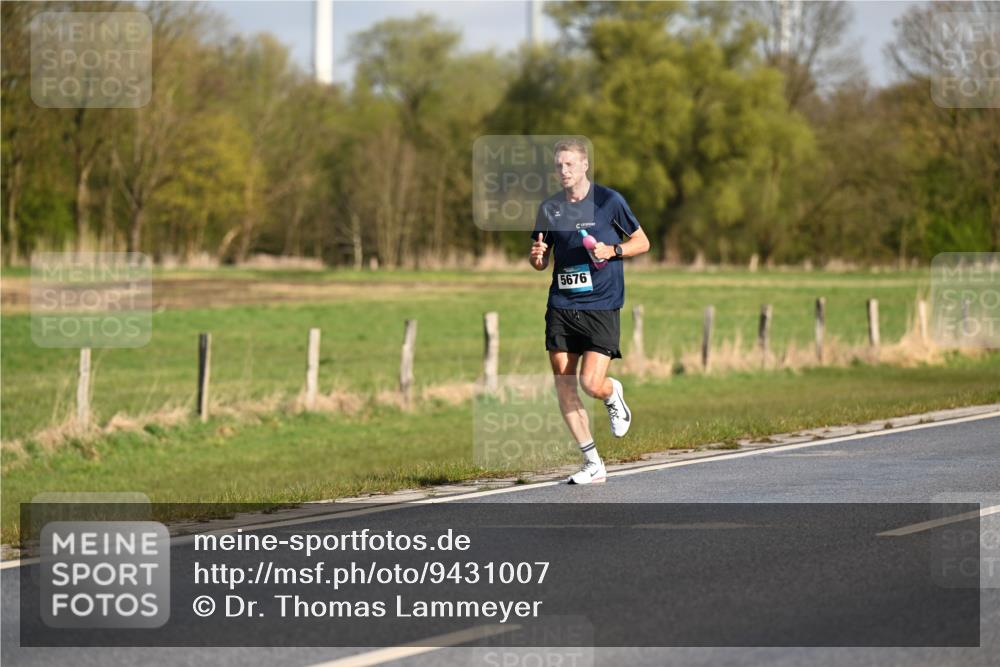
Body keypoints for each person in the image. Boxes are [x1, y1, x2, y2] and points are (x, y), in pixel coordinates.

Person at [529, 138, 651, 485]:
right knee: (564, 385)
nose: (563, 171)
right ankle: (593, 462)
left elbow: (642, 242)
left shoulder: (609, 201)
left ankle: (612, 394)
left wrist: (612, 250)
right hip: (562, 304)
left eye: (570, 164)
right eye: (558, 166)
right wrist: (537, 259)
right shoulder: (549, 208)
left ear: (584, 166)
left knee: (590, 383)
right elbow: (540, 257)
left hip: (601, 303)